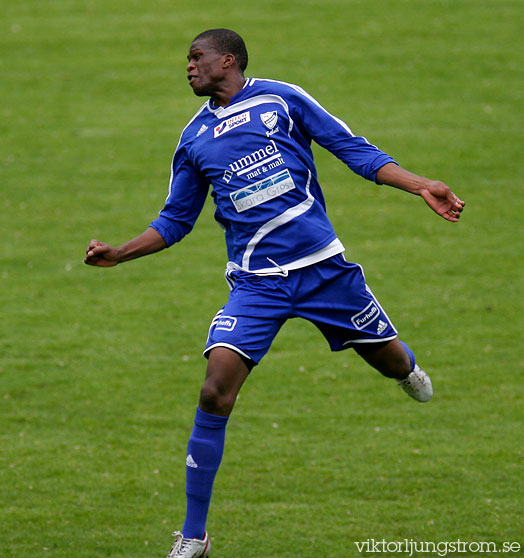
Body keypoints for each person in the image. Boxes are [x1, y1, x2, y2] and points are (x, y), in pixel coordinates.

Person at [84, 28, 464, 558]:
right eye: (187, 60)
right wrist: (120, 253)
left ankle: (407, 368)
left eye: (198, 58)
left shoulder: (282, 99)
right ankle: (194, 536)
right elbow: (175, 219)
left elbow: (352, 149)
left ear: (229, 60)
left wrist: (421, 183)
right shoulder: (194, 139)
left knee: (390, 362)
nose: (189, 67)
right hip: (257, 284)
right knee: (215, 388)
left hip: (324, 272)